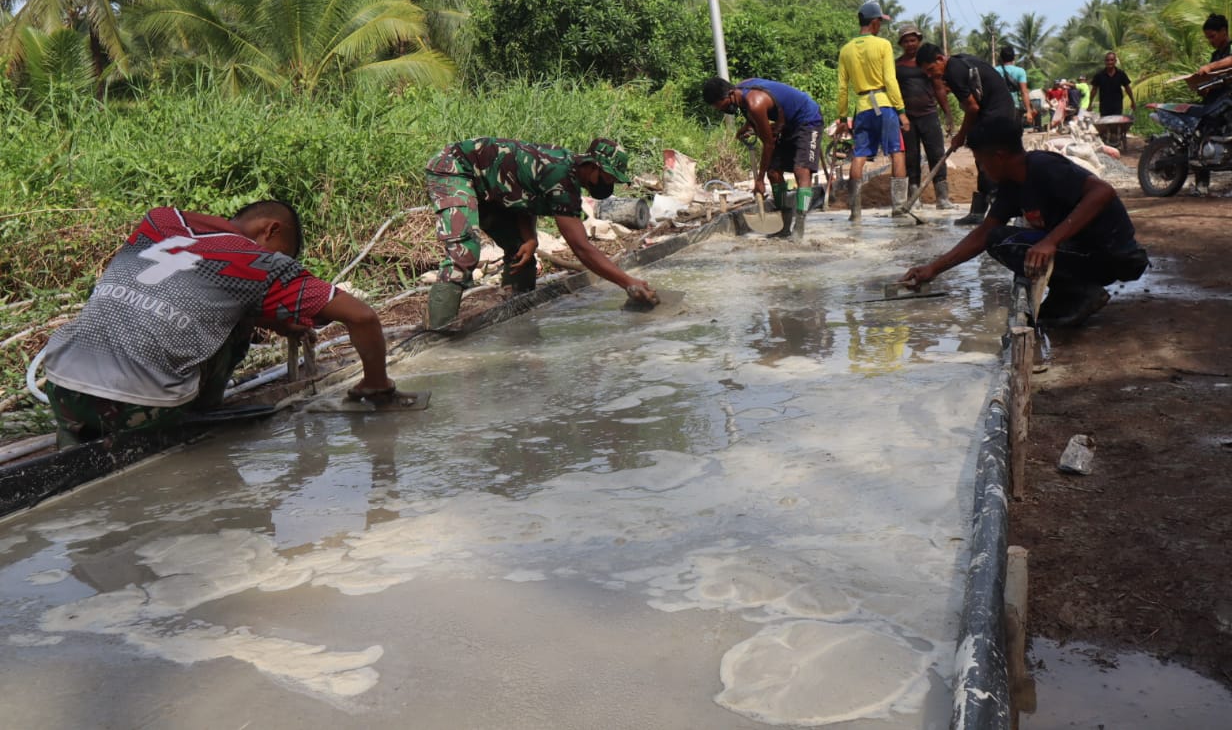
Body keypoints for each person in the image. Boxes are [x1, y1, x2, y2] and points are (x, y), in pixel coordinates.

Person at [42, 201, 397, 446]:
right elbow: (362, 317)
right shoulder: (261, 261)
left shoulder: (159, 220)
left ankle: (76, 430)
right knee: (235, 325)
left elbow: (190, 288)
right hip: (142, 406)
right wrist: (375, 384)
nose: (278, 259)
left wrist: (273, 322)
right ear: (270, 230)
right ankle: (201, 411)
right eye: (282, 251)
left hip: (61, 385)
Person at [900, 118, 1149, 328]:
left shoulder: (1043, 166)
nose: (983, 171)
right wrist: (933, 268)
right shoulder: (1012, 186)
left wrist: (1051, 241)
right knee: (998, 239)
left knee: (1008, 243)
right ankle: (1070, 292)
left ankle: (1081, 293)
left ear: (999, 156)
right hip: (1081, 252)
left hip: (1112, 254)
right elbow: (984, 232)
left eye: (982, 162)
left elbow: (1102, 192)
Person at [423, 137, 658, 327]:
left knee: (521, 251)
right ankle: (437, 330)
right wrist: (628, 282)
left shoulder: (567, 173)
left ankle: (516, 313)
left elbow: (525, 198)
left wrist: (531, 239)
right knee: (465, 252)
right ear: (593, 166)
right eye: (608, 177)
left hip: (488, 187)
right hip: (455, 168)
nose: (609, 184)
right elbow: (581, 248)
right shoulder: (561, 176)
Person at [703, 76, 823, 239]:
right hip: (787, 122)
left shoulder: (755, 102)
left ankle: (799, 225)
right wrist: (747, 127)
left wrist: (759, 180)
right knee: (773, 172)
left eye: (720, 105)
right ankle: (784, 223)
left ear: (730, 94)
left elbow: (769, 144)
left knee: (801, 170)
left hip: (808, 119)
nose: (720, 110)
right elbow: (756, 118)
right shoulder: (741, 94)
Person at [916, 42, 1019, 225]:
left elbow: (971, 108)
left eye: (931, 70)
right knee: (983, 160)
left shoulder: (953, 71)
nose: (932, 75)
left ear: (940, 59)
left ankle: (999, 212)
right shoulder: (958, 63)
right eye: (927, 73)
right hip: (994, 110)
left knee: (989, 160)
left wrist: (961, 135)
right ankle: (979, 212)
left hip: (996, 113)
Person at [835, 1, 910, 219]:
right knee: (897, 152)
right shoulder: (883, 45)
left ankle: (855, 211)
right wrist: (902, 111)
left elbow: (842, 87)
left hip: (862, 107)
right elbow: (890, 79)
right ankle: (898, 207)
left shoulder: (846, 50)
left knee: (859, 155)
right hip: (885, 104)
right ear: (875, 22)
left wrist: (842, 117)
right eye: (880, 22)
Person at [894, 23, 955, 210]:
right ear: (901, 44)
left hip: (928, 115)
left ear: (919, 40)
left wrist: (947, 113)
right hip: (907, 119)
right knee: (911, 157)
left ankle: (942, 198)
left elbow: (938, 87)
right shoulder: (897, 66)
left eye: (913, 40)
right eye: (906, 41)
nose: (910, 44)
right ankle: (915, 197)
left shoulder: (927, 64)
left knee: (936, 153)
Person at [1191, 13, 1232, 195]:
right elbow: (1212, 80)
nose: (1211, 41)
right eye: (1208, 38)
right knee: (1201, 139)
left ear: (1223, 31)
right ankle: (1202, 185)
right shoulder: (1215, 54)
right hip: (1215, 104)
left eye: (1212, 36)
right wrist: (1201, 88)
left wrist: (1210, 67)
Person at [995, 45, 1035, 129]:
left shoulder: (995, 70)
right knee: (1014, 134)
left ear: (1001, 58)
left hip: (998, 107)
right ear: (1014, 58)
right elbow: (1024, 92)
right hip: (1014, 107)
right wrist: (1028, 111)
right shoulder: (1020, 71)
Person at [1089, 52, 1137, 117]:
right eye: (1107, 60)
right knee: (1106, 125)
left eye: (1111, 60)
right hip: (1104, 107)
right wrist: (1090, 104)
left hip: (1117, 106)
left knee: (1116, 125)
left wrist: (1132, 101)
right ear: (1105, 61)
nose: (1109, 62)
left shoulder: (1121, 74)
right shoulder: (1099, 75)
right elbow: (1094, 90)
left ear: (1115, 61)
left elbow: (1127, 88)